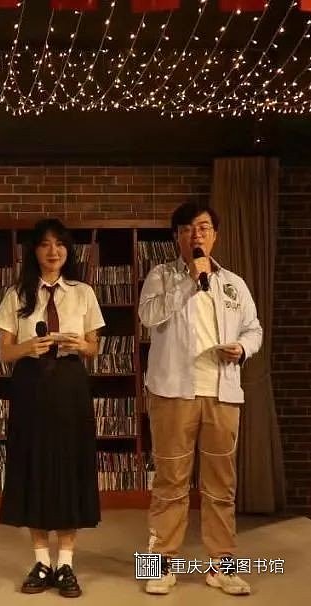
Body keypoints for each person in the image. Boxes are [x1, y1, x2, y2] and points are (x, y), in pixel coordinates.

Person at [138, 202, 263, 596]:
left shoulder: (233, 283)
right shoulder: (161, 276)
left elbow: (254, 328)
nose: (197, 235)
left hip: (222, 392)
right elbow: (148, 317)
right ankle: (157, 567)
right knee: (169, 481)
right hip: (173, 391)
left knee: (221, 484)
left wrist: (242, 348)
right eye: (188, 228)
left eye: (204, 227)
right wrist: (189, 281)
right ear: (177, 236)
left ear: (215, 235)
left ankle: (222, 567)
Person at [0, 218, 105, 597]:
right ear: (34, 251)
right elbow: (4, 352)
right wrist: (27, 348)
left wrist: (80, 345)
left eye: (59, 244)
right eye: (45, 244)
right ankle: (41, 561)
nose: (53, 251)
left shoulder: (82, 292)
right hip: (31, 384)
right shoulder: (16, 294)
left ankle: (66, 563)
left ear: (68, 250)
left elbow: (94, 346)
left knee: (69, 466)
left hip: (70, 384)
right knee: (34, 466)